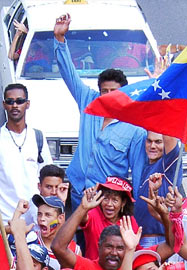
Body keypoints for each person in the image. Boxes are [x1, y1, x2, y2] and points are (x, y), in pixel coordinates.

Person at [53, 13, 147, 209]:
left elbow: (137, 171)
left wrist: (135, 209)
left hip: (106, 202)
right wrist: (60, 39)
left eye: (114, 91)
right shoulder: (89, 101)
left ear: (123, 93)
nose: (109, 96)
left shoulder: (135, 128)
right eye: (104, 91)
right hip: (77, 191)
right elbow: (69, 73)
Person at [0, 83, 52, 222]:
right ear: (4, 104)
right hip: (5, 222)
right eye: (10, 101)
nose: (15, 105)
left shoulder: (38, 138)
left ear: (27, 104)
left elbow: (48, 177)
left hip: (35, 221)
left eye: (20, 101)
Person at [131, 132, 181, 247]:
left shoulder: (167, 166)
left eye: (158, 142)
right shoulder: (144, 167)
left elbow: (170, 137)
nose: (152, 146)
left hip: (158, 239)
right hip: (141, 238)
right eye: (149, 141)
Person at [81, 177, 138, 260]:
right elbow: (82, 219)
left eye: (115, 200)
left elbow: (136, 249)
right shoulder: (94, 213)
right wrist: (84, 207)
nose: (109, 204)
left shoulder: (128, 221)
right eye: (106, 198)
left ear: (123, 202)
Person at [32, 194, 81, 270]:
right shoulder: (30, 239)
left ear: (60, 218)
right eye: (39, 214)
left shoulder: (74, 250)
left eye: (47, 215)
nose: (41, 219)